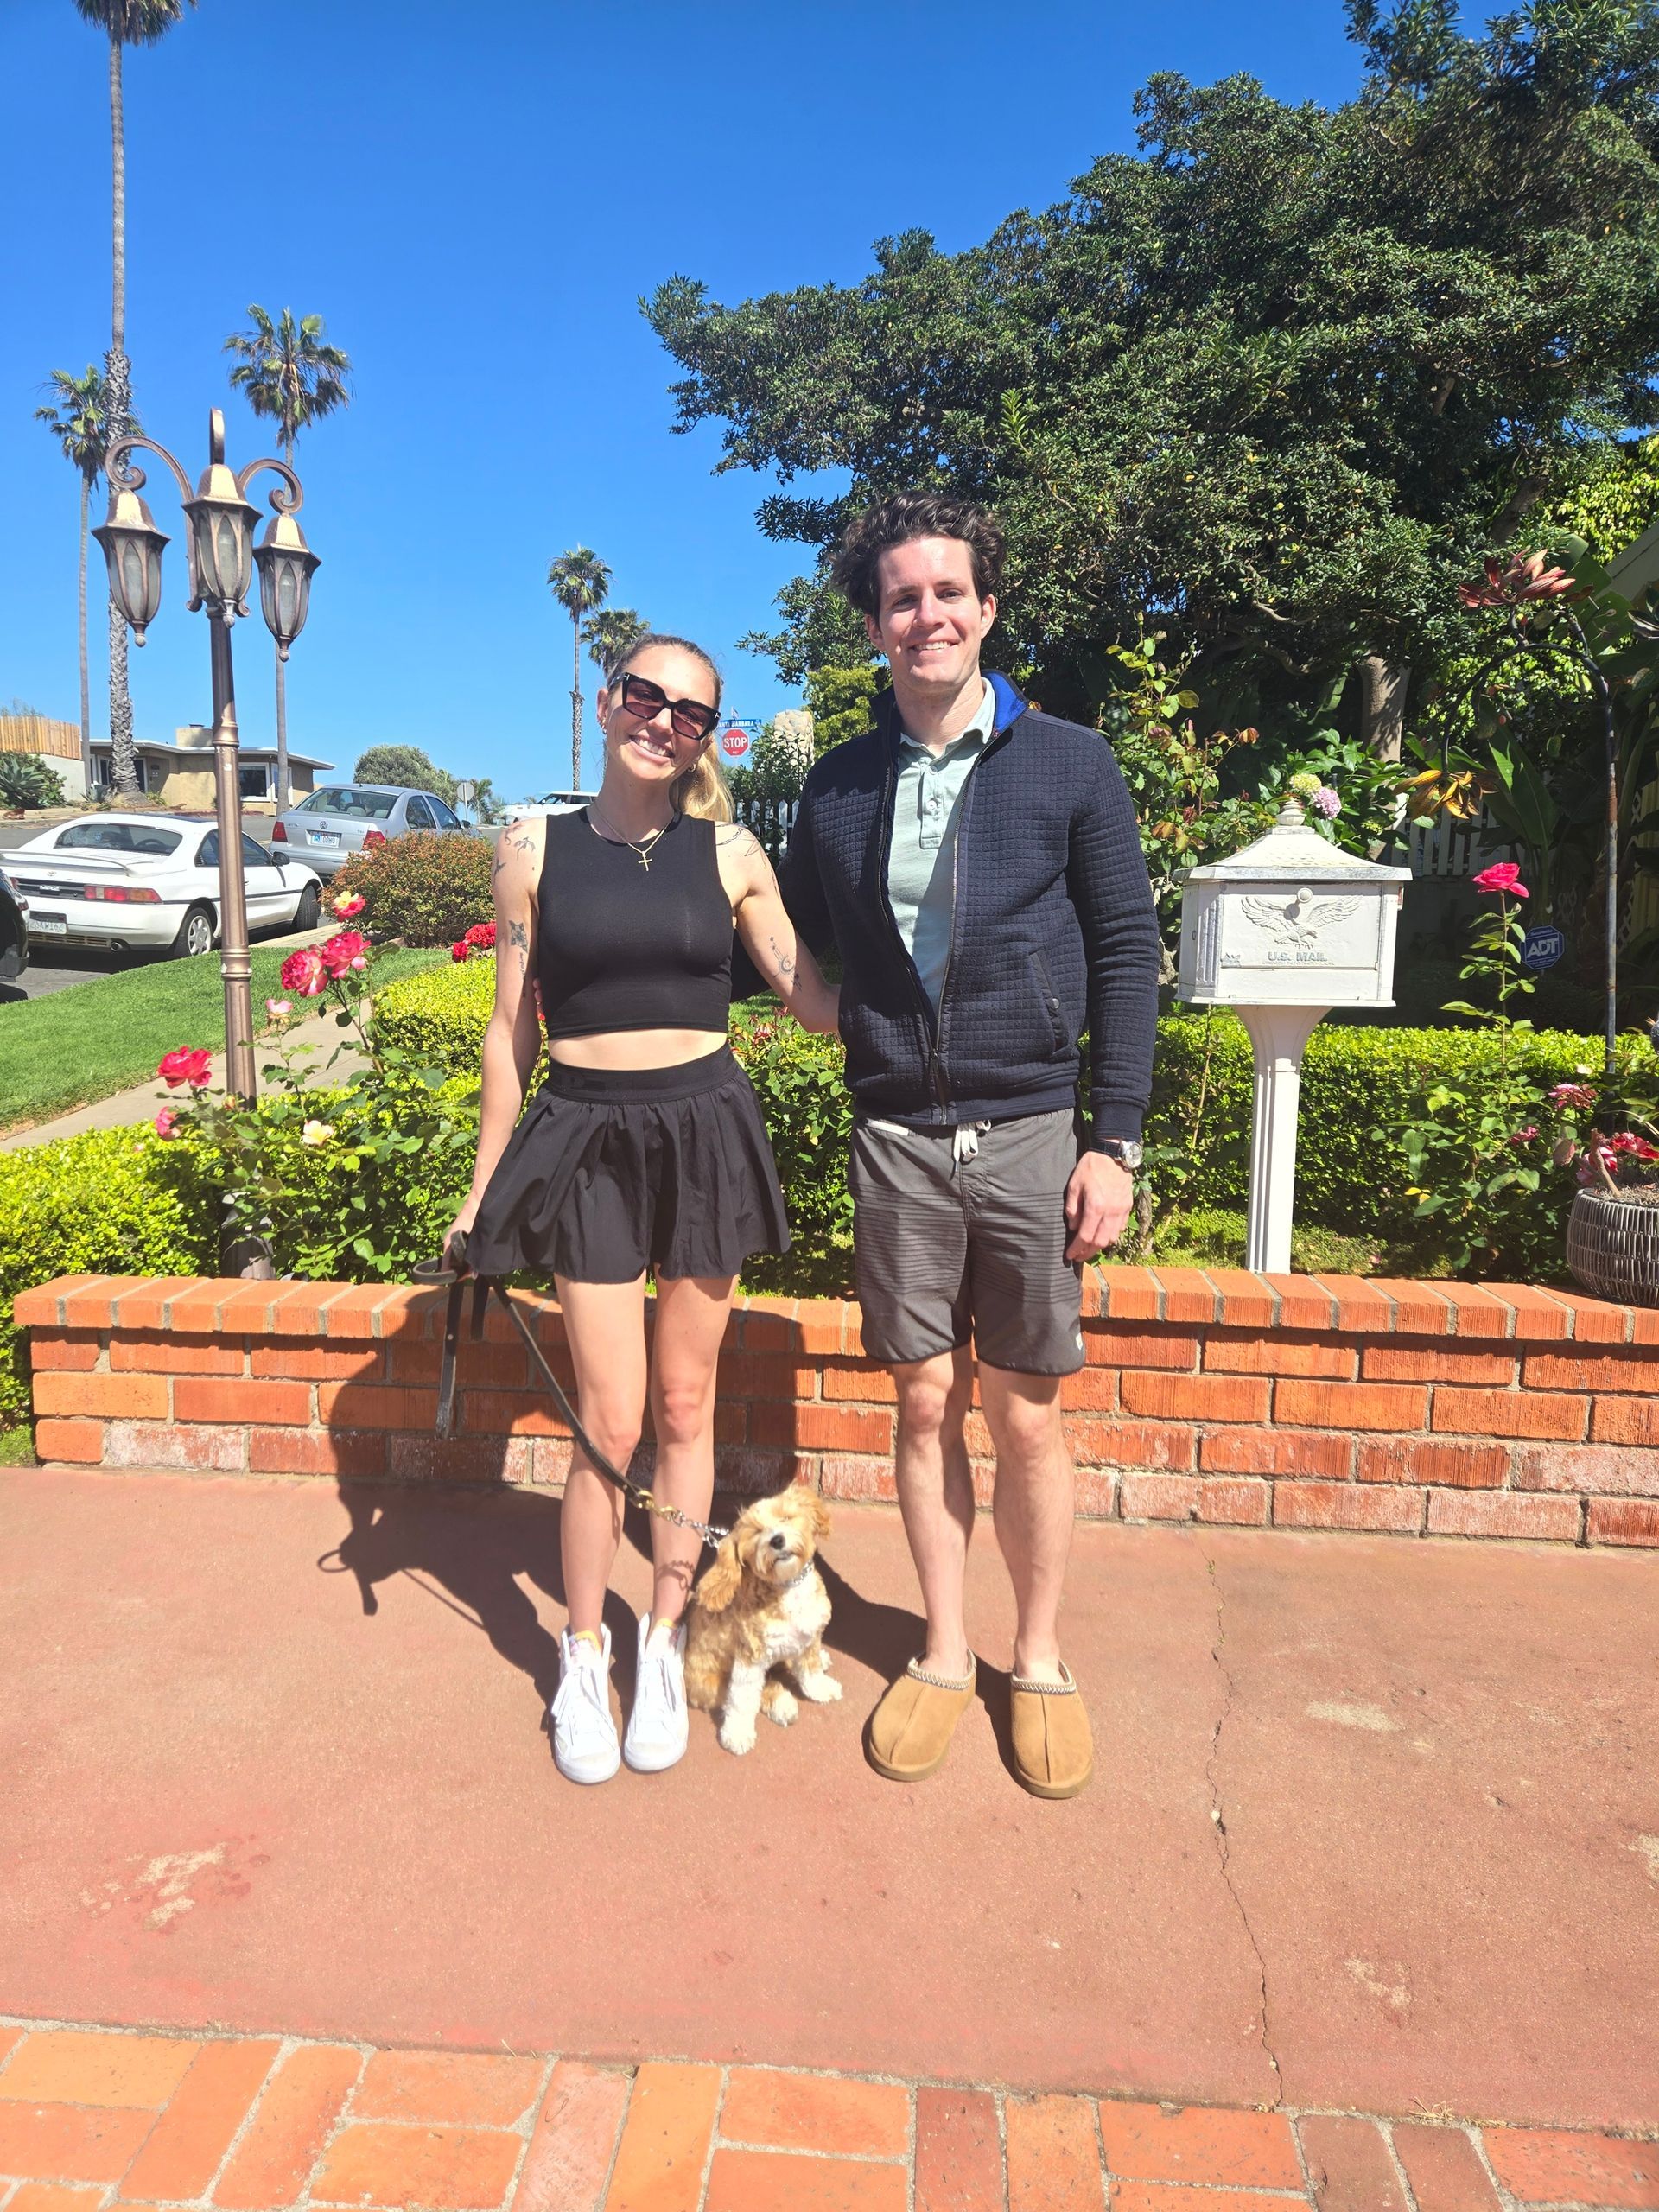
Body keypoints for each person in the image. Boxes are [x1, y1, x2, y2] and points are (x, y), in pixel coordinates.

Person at [777, 493, 1160, 1800]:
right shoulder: (837, 786)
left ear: (987, 609)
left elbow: (1128, 955)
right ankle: (944, 1652)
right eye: (903, 598)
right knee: (923, 1401)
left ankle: (1037, 1660)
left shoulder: (1072, 765)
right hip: (896, 1137)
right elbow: (785, 933)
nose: (927, 616)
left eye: (949, 593)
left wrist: (1115, 1141)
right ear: (874, 625)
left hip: (1034, 1132)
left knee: (1026, 1412)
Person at [444, 634, 839, 1786]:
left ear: (708, 737)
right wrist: (482, 1186)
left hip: (706, 1133)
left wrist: (915, 938)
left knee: (684, 1403)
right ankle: (585, 1651)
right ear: (607, 699)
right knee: (610, 1424)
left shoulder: (733, 854)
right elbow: (510, 1029)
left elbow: (814, 1003)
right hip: (587, 1141)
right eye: (644, 695)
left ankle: (662, 1641)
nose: (663, 721)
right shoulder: (532, 847)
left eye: (691, 713)